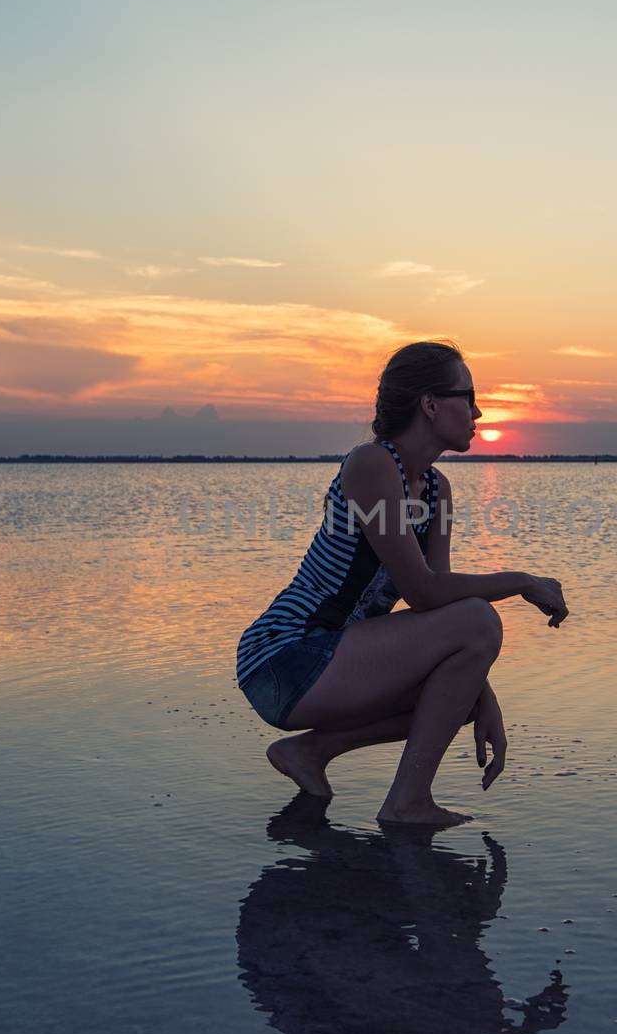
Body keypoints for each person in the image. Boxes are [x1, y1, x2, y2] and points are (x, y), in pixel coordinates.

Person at [235, 340, 569, 825]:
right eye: (468, 395)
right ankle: (406, 803)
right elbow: (425, 593)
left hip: (332, 658)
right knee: (478, 617)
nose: (478, 411)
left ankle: (309, 753)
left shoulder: (436, 490)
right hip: (282, 660)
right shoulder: (371, 464)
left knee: (462, 682)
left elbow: (436, 599)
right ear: (430, 404)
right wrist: (521, 581)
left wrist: (483, 695)